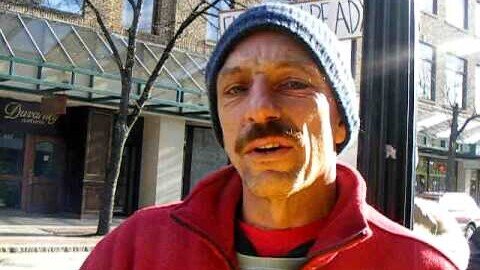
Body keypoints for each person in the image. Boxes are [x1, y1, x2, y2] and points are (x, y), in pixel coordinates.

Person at [81, 3, 459, 269]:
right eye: (235, 89)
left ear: (341, 121)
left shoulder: (415, 263)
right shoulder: (132, 251)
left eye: (293, 83)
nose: (259, 109)